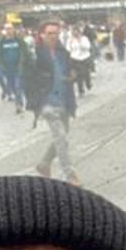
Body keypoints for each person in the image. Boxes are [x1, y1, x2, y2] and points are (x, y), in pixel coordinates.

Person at [26, 18, 79, 183]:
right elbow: (28, 79)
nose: (53, 36)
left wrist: (72, 76)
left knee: (61, 137)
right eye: (49, 33)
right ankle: (70, 174)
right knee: (61, 139)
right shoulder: (35, 54)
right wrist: (36, 101)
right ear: (41, 35)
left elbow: (70, 72)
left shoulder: (63, 53)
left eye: (56, 33)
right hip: (47, 101)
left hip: (64, 100)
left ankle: (44, 163)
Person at [0, 21, 27, 112]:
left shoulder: (19, 40)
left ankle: (19, 104)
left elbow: (24, 52)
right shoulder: (1, 42)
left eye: (10, 28)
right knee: (12, 86)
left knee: (18, 86)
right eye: (6, 29)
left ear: (13, 30)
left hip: (18, 67)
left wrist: (23, 63)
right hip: (8, 69)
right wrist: (1, 65)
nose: (8, 31)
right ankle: (17, 99)